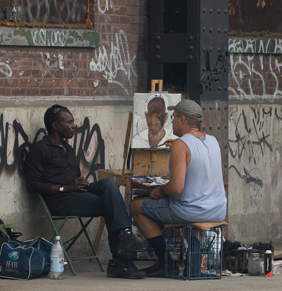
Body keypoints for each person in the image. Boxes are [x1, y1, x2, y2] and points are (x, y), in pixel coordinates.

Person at [25, 104, 145, 279]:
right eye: (70, 122)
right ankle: (122, 260)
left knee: (109, 185)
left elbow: (73, 178)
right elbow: (32, 185)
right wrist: (67, 187)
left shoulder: (68, 149)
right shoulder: (40, 149)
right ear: (55, 125)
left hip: (77, 192)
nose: (74, 126)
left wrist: (79, 183)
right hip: (60, 200)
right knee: (111, 204)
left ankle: (124, 237)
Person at [130, 99, 227, 277]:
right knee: (184, 208)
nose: (172, 122)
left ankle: (166, 263)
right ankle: (192, 263)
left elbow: (175, 188)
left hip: (192, 211)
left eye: (173, 118)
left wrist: (158, 192)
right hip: (217, 210)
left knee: (136, 206)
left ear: (182, 119)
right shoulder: (213, 141)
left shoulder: (180, 145)